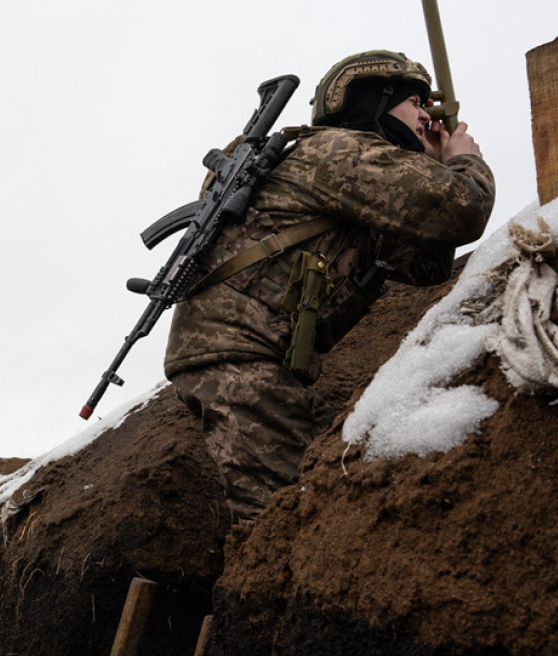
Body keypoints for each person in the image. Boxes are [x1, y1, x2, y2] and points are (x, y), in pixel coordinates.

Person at [164, 50, 496, 524]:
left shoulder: (356, 188)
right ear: (374, 101)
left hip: (250, 358)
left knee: (313, 497)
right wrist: (464, 164)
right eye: (414, 102)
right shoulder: (337, 153)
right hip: (241, 356)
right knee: (283, 520)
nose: (427, 115)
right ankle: (257, 597)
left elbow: (428, 265)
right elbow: (462, 209)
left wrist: (434, 163)